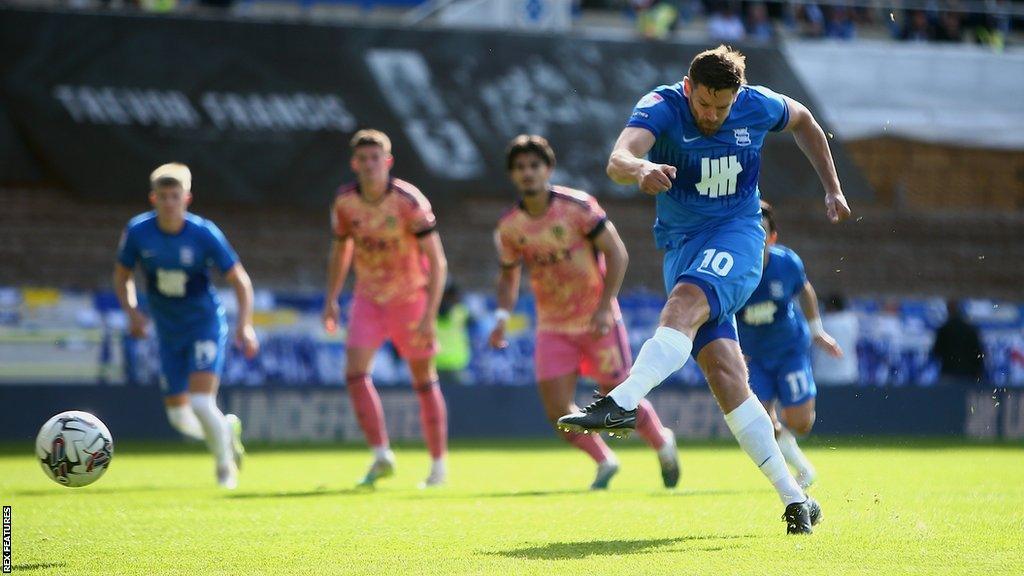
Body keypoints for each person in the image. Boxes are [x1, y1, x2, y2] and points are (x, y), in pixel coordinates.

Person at [558, 45, 851, 534]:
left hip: (739, 235)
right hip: (681, 246)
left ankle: (622, 403)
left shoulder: (757, 103)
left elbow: (805, 122)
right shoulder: (663, 105)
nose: (712, 115)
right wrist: (641, 170)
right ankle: (796, 498)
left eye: (723, 107)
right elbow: (618, 158)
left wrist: (833, 187)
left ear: (737, 96)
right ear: (689, 88)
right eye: (704, 105)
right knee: (725, 375)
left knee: (683, 304)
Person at [490, 135, 679, 490]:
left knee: (619, 397)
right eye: (520, 168)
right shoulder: (510, 226)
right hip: (553, 327)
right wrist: (502, 318)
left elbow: (617, 253)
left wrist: (606, 305)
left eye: (534, 165)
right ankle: (605, 460)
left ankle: (662, 443)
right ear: (512, 176)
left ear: (547, 169)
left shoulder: (577, 208)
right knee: (557, 412)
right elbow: (508, 275)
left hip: (597, 322)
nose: (528, 173)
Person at [114, 162, 258, 489]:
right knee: (180, 418)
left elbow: (241, 281)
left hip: (204, 325)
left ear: (187, 198)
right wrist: (132, 311)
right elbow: (122, 276)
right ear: (153, 198)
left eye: (174, 196)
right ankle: (225, 431)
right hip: (168, 332)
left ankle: (225, 470)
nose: (169, 203)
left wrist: (244, 325)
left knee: (200, 402)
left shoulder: (204, 233)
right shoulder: (137, 232)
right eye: (162, 196)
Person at [322, 129, 449, 488]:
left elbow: (437, 262)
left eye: (375, 158)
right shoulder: (345, 202)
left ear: (387, 162)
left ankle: (438, 464)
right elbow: (341, 251)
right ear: (354, 164)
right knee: (354, 373)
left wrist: (429, 314)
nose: (368, 164)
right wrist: (331, 298)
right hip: (368, 299)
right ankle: (381, 455)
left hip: (410, 300)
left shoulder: (409, 201)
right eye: (362, 159)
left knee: (424, 381)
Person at [737, 200, 843, 490]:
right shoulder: (732, 272)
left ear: (772, 237)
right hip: (755, 358)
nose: (755, 239)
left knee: (800, 423)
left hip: (789, 351)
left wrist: (817, 331)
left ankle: (798, 452)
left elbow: (805, 290)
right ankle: (802, 470)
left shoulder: (787, 264)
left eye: (761, 232)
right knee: (760, 424)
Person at [932, 300, 985, 385]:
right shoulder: (970, 330)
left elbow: (936, 352)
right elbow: (978, 354)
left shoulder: (944, 330)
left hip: (949, 374)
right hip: (968, 375)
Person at [813, 293, 860, 385]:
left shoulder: (824, 322)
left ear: (830, 307)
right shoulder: (852, 321)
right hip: (848, 374)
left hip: (823, 376)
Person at [435, 281, 475, 385]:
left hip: (435, 363)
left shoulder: (430, 312)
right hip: (457, 364)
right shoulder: (461, 312)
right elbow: (476, 322)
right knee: (463, 397)